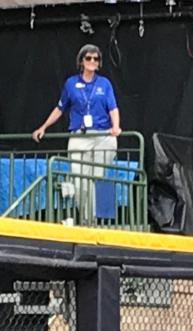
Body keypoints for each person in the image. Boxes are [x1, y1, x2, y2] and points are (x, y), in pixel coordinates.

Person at [31, 44, 121, 223]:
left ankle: (92, 221)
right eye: (88, 58)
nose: (92, 61)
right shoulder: (71, 83)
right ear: (81, 61)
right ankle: (88, 221)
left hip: (102, 135)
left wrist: (116, 127)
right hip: (80, 135)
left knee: (95, 178)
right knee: (80, 182)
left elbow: (113, 108)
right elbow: (60, 108)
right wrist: (43, 127)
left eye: (96, 59)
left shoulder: (104, 83)